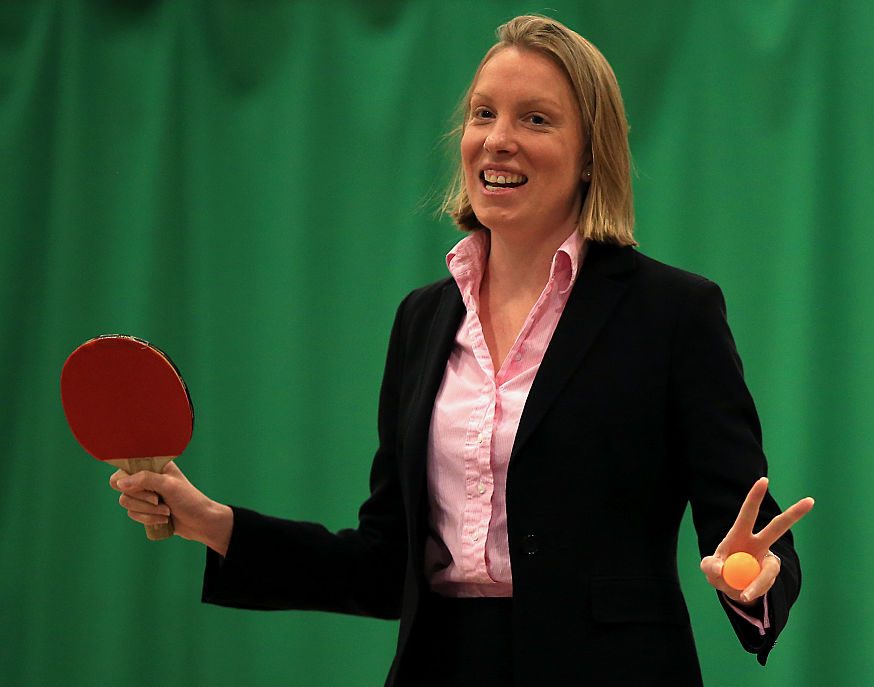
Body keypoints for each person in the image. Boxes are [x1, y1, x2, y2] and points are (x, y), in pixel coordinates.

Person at [110, 15, 814, 687]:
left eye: (534, 119)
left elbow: (752, 533)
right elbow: (385, 562)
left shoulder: (672, 312)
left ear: (592, 154)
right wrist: (210, 520)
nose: (497, 140)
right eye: (483, 114)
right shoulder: (422, 320)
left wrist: (749, 579)